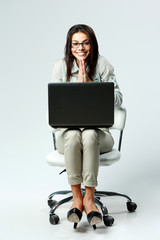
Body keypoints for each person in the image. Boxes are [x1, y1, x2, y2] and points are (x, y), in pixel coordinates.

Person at [51, 24, 123, 229]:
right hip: (68, 134)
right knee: (74, 135)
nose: (80, 48)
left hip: (100, 133)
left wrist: (91, 84)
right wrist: (76, 87)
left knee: (89, 134)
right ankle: (77, 199)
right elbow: (55, 102)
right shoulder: (60, 66)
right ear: (69, 46)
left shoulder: (103, 65)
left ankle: (89, 199)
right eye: (75, 44)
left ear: (92, 44)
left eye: (85, 43)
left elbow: (118, 100)